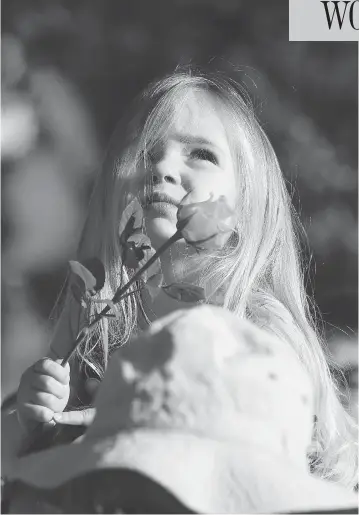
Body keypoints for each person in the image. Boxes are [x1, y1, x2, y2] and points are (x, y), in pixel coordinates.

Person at [2, 67, 357, 492]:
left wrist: (138, 429)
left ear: (250, 203)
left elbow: (272, 461)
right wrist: (31, 419)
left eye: (201, 154)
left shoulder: (256, 330)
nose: (162, 167)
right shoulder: (96, 320)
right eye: (146, 151)